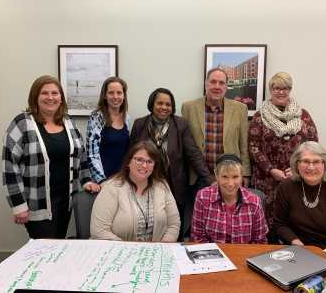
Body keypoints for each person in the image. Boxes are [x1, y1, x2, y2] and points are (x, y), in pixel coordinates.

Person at [2, 75, 100, 239]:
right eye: (44, 93)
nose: (50, 97)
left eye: (55, 93)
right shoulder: (22, 123)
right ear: (35, 97)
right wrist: (18, 205)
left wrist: (86, 181)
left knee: (58, 246)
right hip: (37, 204)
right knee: (45, 251)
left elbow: (80, 156)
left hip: (65, 202)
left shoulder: (67, 122)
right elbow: (9, 167)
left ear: (61, 98)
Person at [130, 88, 213, 239]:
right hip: (146, 183)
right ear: (152, 104)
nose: (164, 107)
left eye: (168, 104)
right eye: (160, 103)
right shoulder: (139, 124)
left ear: (172, 107)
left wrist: (209, 180)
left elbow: (193, 153)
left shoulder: (180, 125)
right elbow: (130, 154)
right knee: (147, 225)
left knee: (174, 228)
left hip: (175, 186)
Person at [248, 72, 318, 238]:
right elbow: (254, 147)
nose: (281, 92)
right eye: (277, 88)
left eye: (285, 88)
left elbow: (313, 144)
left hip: (298, 177)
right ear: (271, 90)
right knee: (268, 222)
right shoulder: (260, 117)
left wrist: (298, 169)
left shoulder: (304, 115)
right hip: (267, 180)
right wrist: (271, 170)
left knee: (296, 217)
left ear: (290, 90)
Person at [90, 141, 181, 242]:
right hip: (118, 253)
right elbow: (98, 231)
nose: (144, 166)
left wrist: (163, 247)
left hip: (157, 252)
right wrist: (129, 250)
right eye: (139, 160)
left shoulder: (162, 186)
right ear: (128, 162)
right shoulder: (111, 188)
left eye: (149, 161)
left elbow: (174, 225)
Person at [181, 68, 251, 186]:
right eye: (213, 82)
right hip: (198, 177)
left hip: (230, 178)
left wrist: (245, 174)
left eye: (221, 83)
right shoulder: (188, 108)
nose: (217, 86)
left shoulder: (240, 109)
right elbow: (185, 144)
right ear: (206, 84)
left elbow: (244, 144)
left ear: (226, 86)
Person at [191, 154, 268, 243]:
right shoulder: (202, 197)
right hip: (212, 255)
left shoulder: (255, 202)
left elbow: (260, 241)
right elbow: (197, 237)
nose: (230, 183)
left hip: (243, 255)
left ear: (241, 177)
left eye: (235, 177)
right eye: (224, 177)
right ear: (216, 176)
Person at [86, 76, 131, 184]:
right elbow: (92, 154)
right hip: (102, 179)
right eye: (111, 93)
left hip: (122, 178)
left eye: (119, 93)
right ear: (105, 96)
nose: (115, 96)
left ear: (124, 96)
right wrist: (102, 180)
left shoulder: (127, 118)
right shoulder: (96, 117)